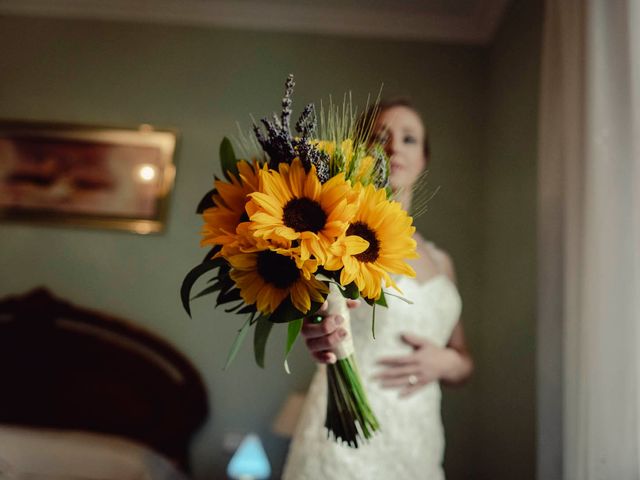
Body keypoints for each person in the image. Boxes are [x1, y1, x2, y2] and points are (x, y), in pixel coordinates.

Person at [281, 99, 474, 480]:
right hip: (344, 433)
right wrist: (316, 326)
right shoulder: (336, 236)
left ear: (423, 160)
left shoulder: (441, 261)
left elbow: (463, 357)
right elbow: (316, 312)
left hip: (417, 438)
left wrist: (447, 363)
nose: (394, 148)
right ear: (359, 152)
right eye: (380, 137)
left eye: (409, 139)